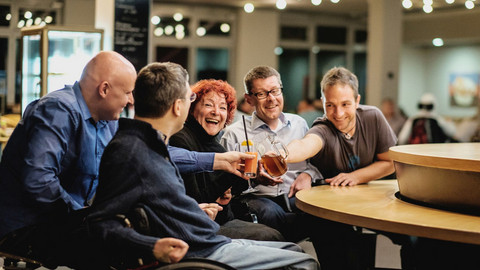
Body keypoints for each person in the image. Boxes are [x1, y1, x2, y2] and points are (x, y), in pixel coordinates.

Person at [0, 51, 251, 257]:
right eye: (128, 92)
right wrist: (86, 217)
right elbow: (39, 182)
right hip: (28, 229)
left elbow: (146, 153)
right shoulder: (57, 110)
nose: (132, 100)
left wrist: (217, 161)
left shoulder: (107, 119)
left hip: (68, 222)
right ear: (104, 89)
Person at [82, 62, 320, 269]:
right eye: (191, 99)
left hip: (205, 237)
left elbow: (162, 201)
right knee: (304, 261)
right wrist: (152, 246)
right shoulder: (133, 151)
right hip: (199, 250)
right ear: (178, 107)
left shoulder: (150, 145)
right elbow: (99, 222)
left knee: (294, 249)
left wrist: (196, 209)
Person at [286, 67, 397, 269]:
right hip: (331, 209)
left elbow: (389, 162)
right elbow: (305, 145)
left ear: (357, 100)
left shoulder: (373, 117)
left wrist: (356, 176)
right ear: (322, 103)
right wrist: (280, 154)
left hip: (370, 198)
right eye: (330, 105)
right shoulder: (323, 128)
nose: (338, 114)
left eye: (345, 104)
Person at [169, 79, 284, 241]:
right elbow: (197, 199)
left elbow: (226, 191)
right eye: (209, 105)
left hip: (222, 219)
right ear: (192, 108)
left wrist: (254, 178)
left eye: (223, 107)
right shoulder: (181, 140)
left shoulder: (215, 146)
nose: (216, 112)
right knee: (271, 236)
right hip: (199, 228)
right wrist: (227, 178)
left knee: (278, 230)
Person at [220, 65, 322, 242]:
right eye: (261, 94)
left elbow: (317, 163)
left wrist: (308, 174)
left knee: (324, 214)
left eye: (275, 91)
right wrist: (253, 179)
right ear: (249, 99)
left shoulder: (300, 124)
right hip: (258, 198)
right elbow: (223, 183)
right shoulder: (234, 134)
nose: (271, 99)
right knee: (270, 213)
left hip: (296, 195)